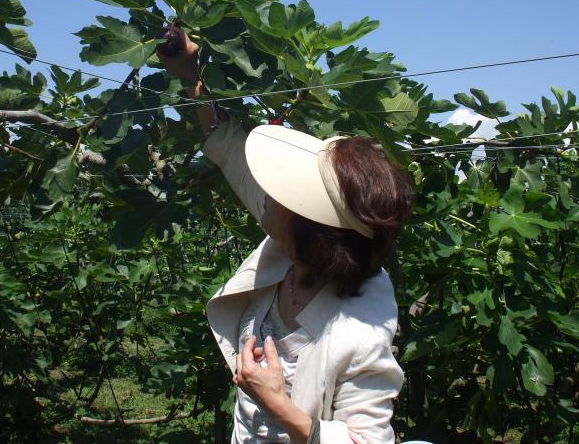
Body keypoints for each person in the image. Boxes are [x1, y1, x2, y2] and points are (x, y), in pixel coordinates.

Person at [158, 32, 416, 443]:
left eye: (285, 193)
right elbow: (227, 148)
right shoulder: (289, 248)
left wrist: (276, 402)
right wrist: (189, 73)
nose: (269, 194)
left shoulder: (360, 334)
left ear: (311, 227)